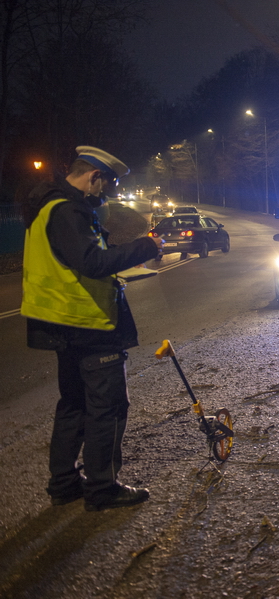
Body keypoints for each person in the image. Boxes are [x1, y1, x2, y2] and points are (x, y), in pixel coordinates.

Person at [21, 146, 163, 511]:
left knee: (74, 404)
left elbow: (81, 255)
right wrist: (144, 247)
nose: (107, 194)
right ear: (93, 176)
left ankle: (65, 484)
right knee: (108, 406)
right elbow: (92, 262)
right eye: (108, 184)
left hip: (64, 324)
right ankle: (103, 488)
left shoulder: (51, 207)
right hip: (88, 324)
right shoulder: (68, 211)